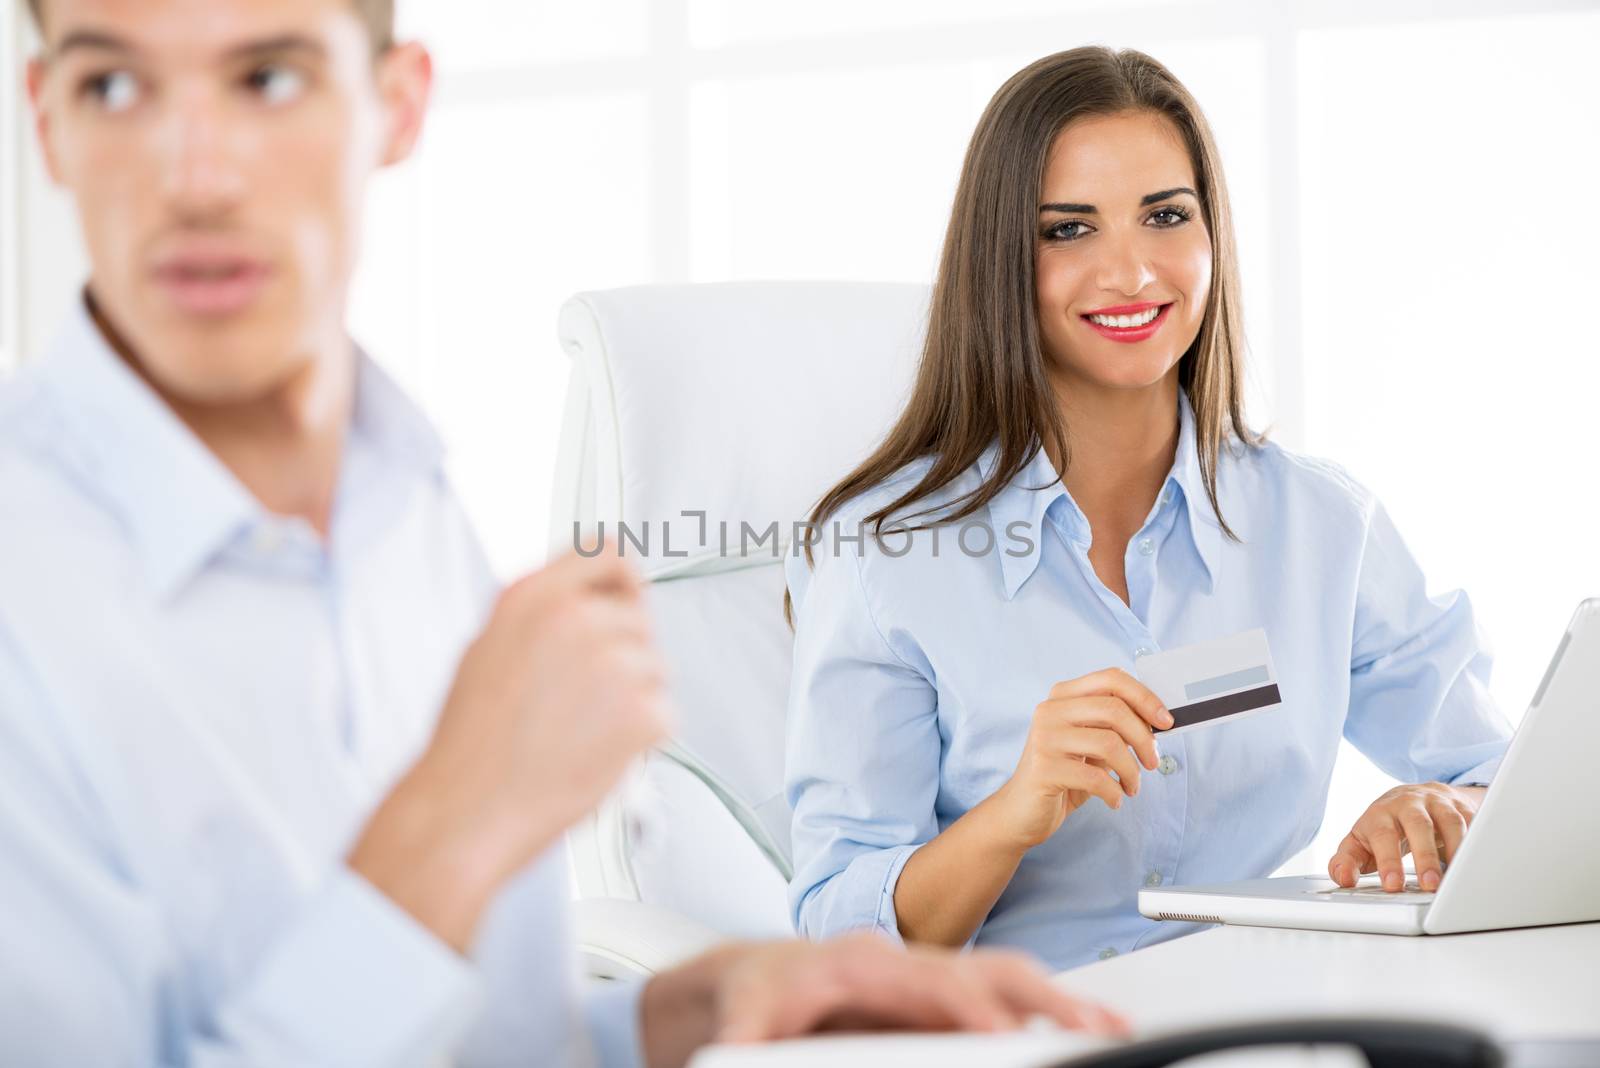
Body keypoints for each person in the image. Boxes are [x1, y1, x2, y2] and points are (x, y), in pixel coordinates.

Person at [0, 2, 1126, 1064]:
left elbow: (485, 1043)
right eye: (115, 86)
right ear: (46, 120)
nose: (195, 175)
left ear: (395, 104)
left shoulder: (402, 509)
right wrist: (455, 818)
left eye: (269, 77)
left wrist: (698, 1008)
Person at [783, 46, 1513, 972]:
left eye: (1165, 216)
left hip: (1264, 1017)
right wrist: (1012, 816)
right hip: (1018, 1035)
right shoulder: (885, 558)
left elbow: (1515, 778)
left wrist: (1448, 813)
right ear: (1002, 259)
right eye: (1068, 229)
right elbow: (833, 929)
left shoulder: (1320, 527)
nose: (1130, 273)